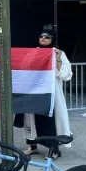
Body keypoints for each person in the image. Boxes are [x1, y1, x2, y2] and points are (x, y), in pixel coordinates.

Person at [17, 29, 73, 159]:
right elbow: (24, 67)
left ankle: (54, 149)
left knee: (49, 121)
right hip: (34, 91)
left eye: (47, 36)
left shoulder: (58, 53)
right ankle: (33, 146)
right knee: (31, 119)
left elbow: (66, 74)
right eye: (41, 36)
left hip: (50, 93)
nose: (43, 38)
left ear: (52, 39)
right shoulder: (33, 52)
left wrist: (57, 60)